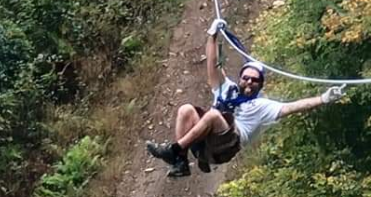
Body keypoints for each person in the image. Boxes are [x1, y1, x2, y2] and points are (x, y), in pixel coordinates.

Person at [146, 18, 346, 177]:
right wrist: (212, 36)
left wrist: (323, 98)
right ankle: (180, 162)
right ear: (240, 78)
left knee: (215, 115)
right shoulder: (227, 89)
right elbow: (213, 66)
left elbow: (292, 107)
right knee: (186, 109)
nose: (249, 83)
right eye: (246, 78)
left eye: (255, 81)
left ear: (260, 85)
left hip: (225, 147)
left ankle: (174, 149)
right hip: (206, 143)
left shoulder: (261, 106)